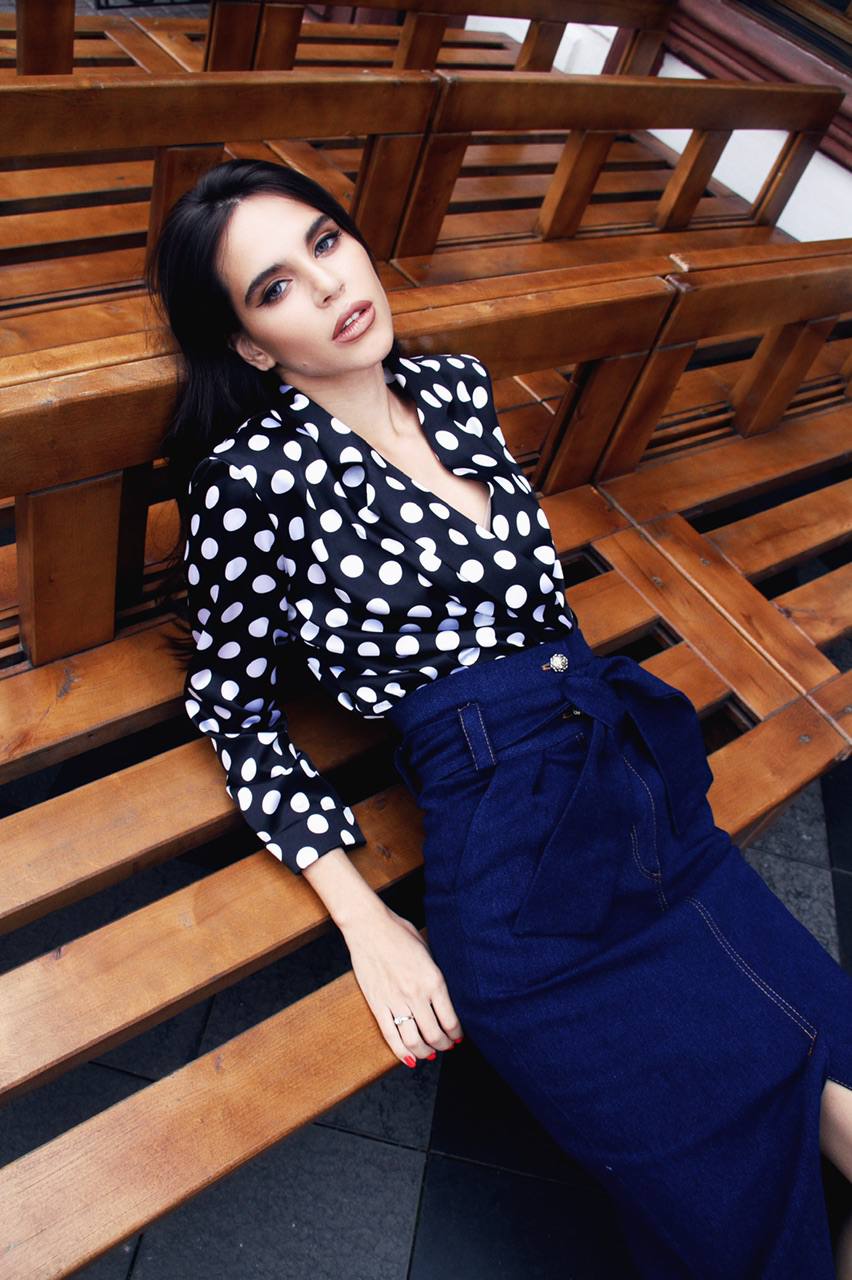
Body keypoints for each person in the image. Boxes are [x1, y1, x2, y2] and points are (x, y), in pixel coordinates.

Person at [148, 157, 852, 1278]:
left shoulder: (458, 388)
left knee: (833, 1065)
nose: (328, 287)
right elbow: (232, 710)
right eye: (274, 287)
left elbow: (526, 603)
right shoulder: (250, 482)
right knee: (733, 1215)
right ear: (250, 345)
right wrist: (367, 921)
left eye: (325, 242)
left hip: (627, 785)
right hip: (517, 870)